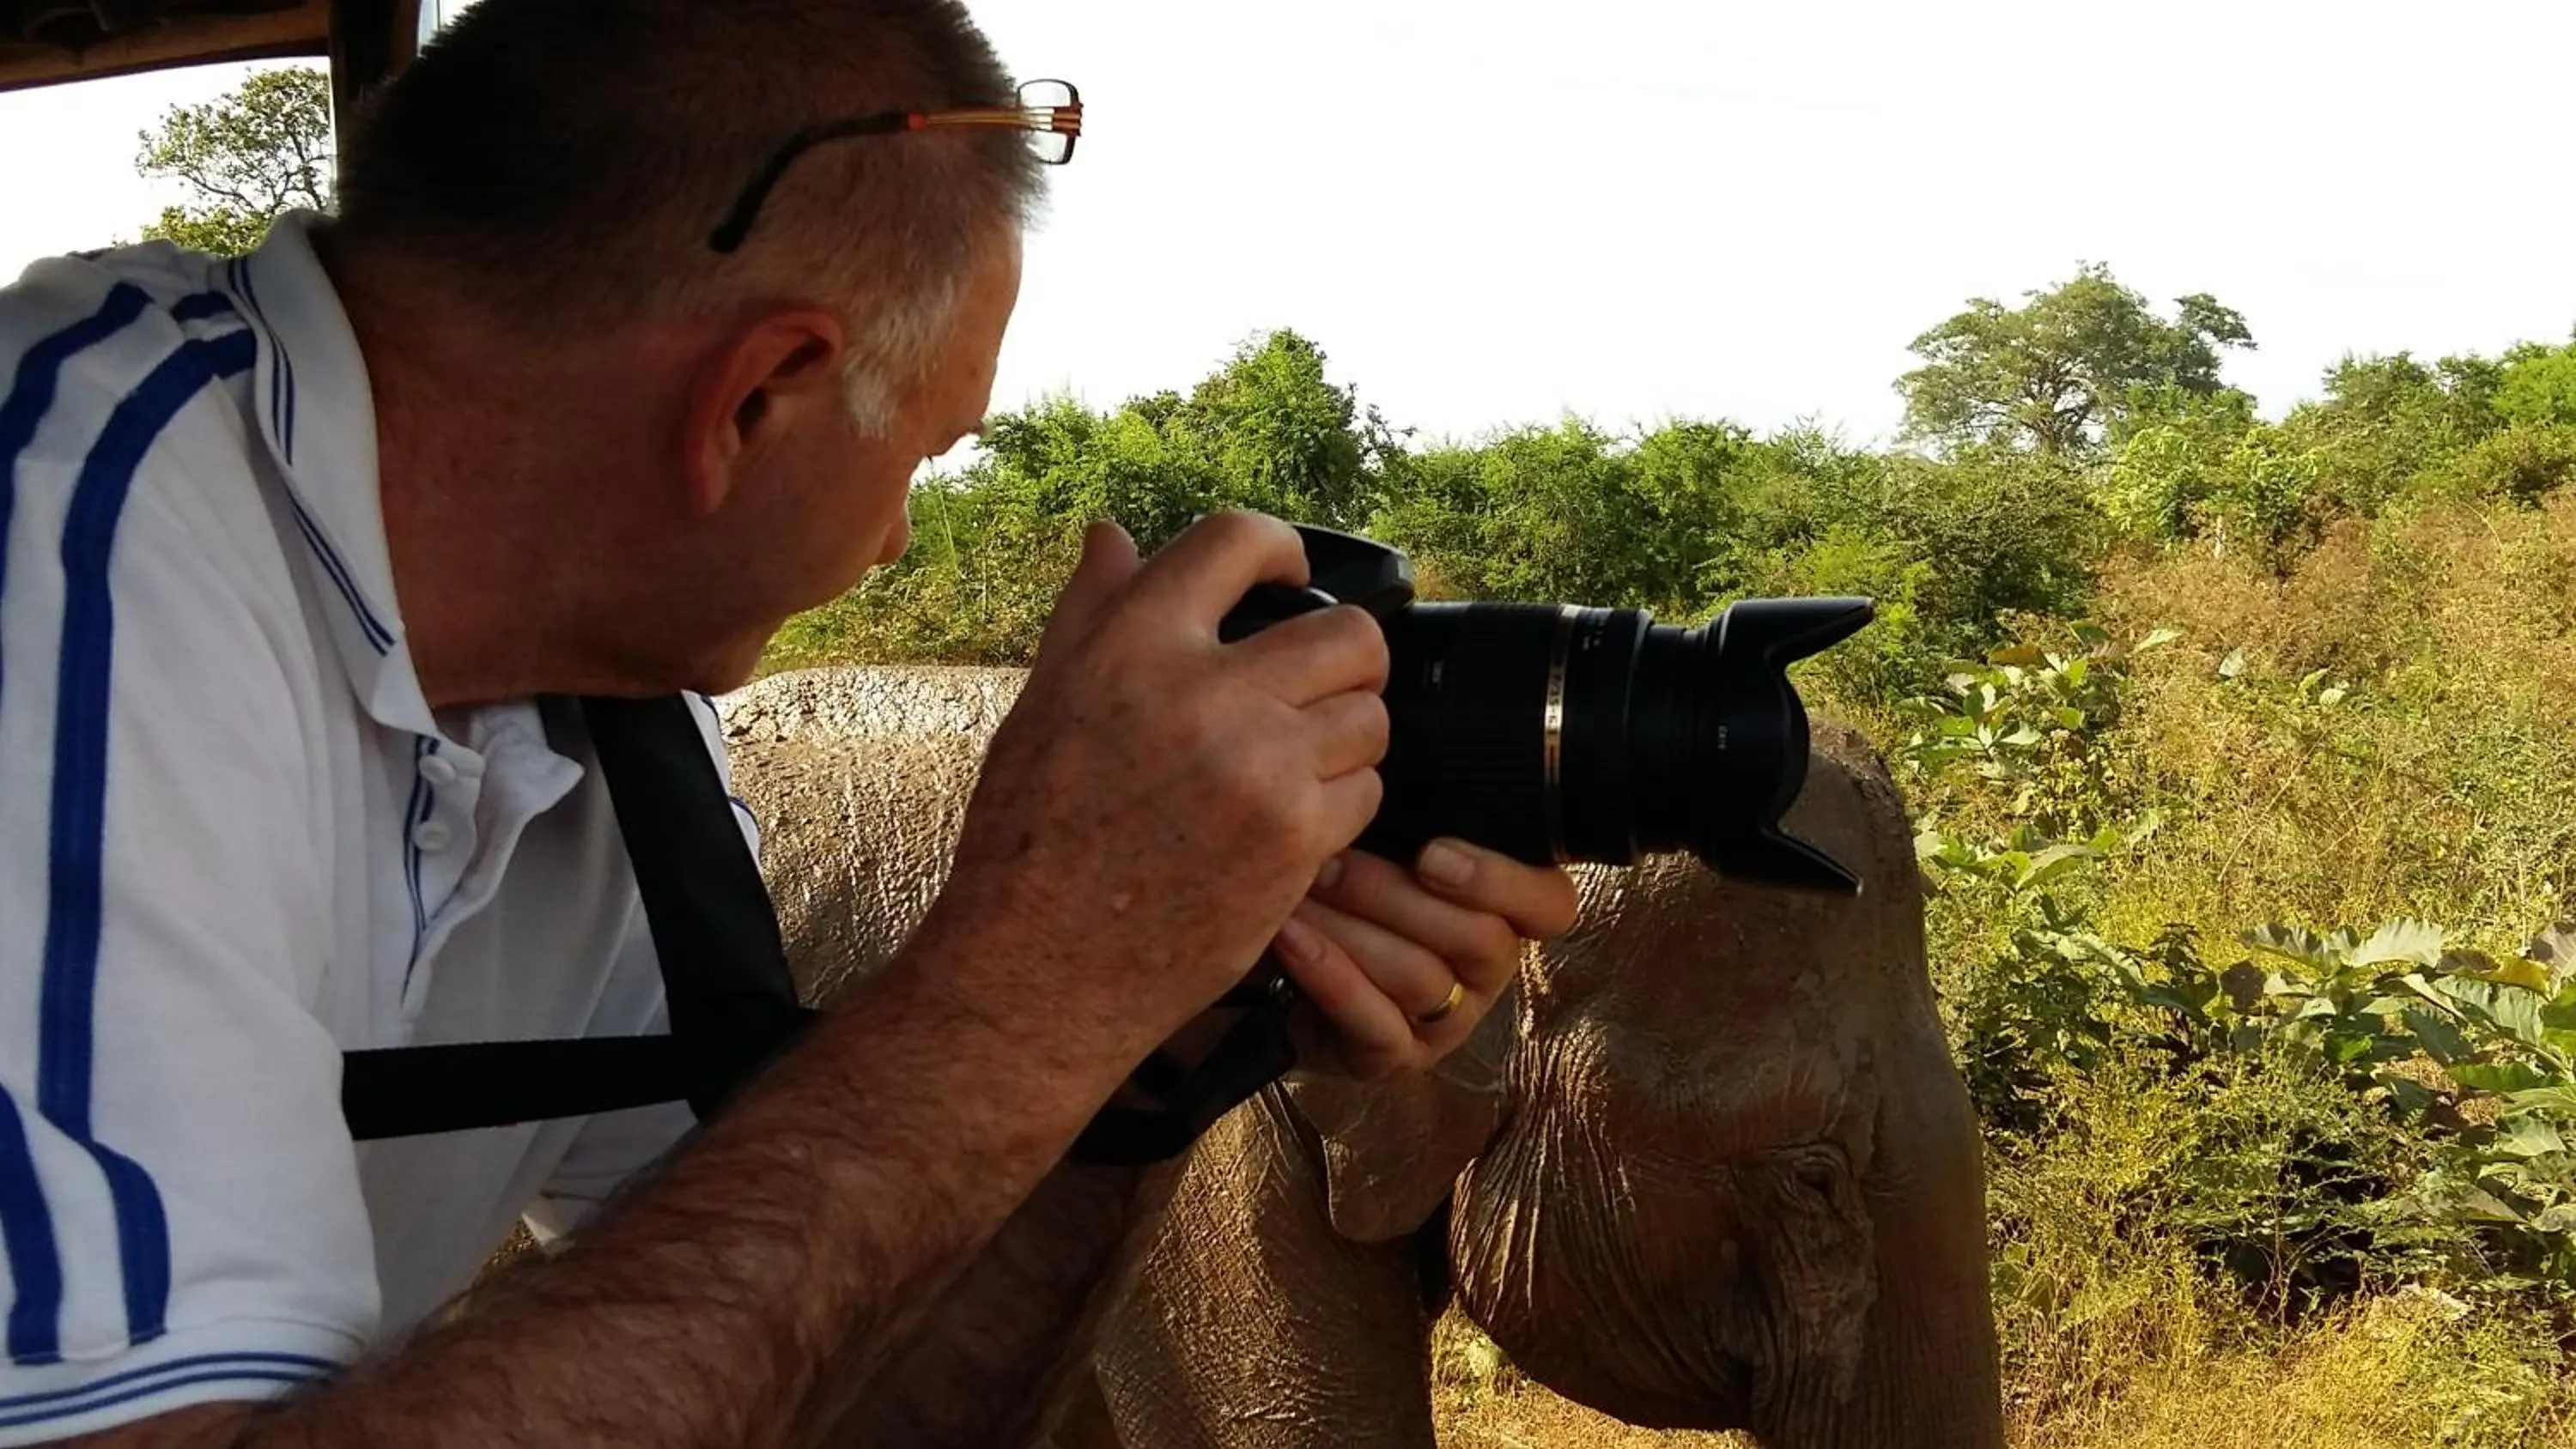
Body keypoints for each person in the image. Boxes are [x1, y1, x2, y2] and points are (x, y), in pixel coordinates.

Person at [0, 1, 1578, 1445]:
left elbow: (784, 1371)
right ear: (755, 398)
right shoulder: (69, 528)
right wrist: (1022, 987)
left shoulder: (608, 741)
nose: (895, 543)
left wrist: (1142, 1038)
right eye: (926, 454)